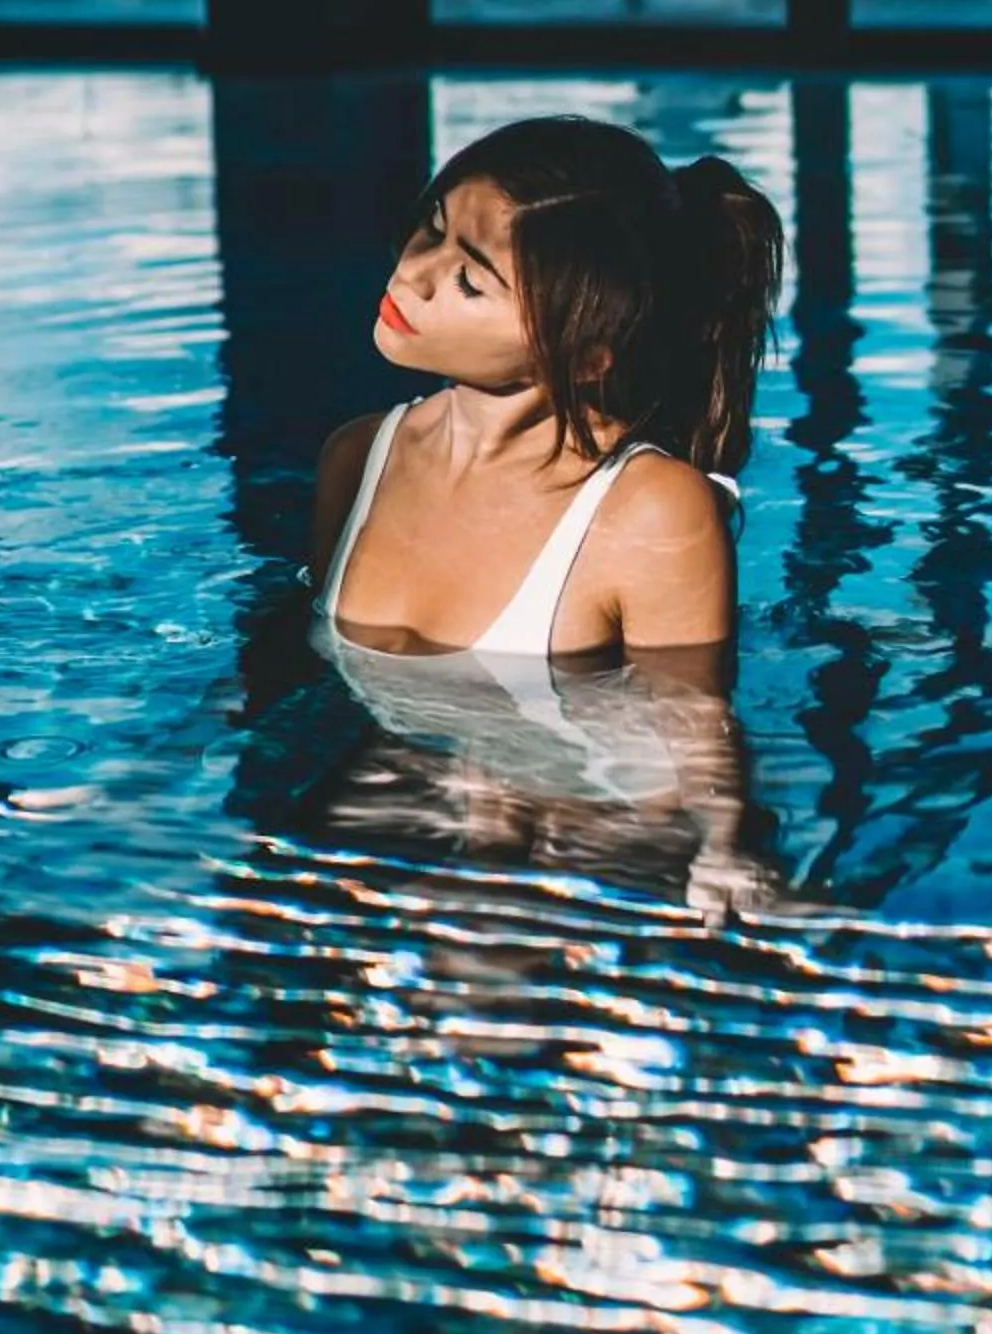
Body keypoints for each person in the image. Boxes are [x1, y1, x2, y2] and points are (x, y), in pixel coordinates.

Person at [307, 116, 785, 917]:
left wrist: (728, 845)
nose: (414, 275)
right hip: (414, 802)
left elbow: (694, 721)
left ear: (589, 349)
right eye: (431, 229)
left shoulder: (650, 510)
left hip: (592, 822)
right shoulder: (357, 459)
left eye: (469, 282)